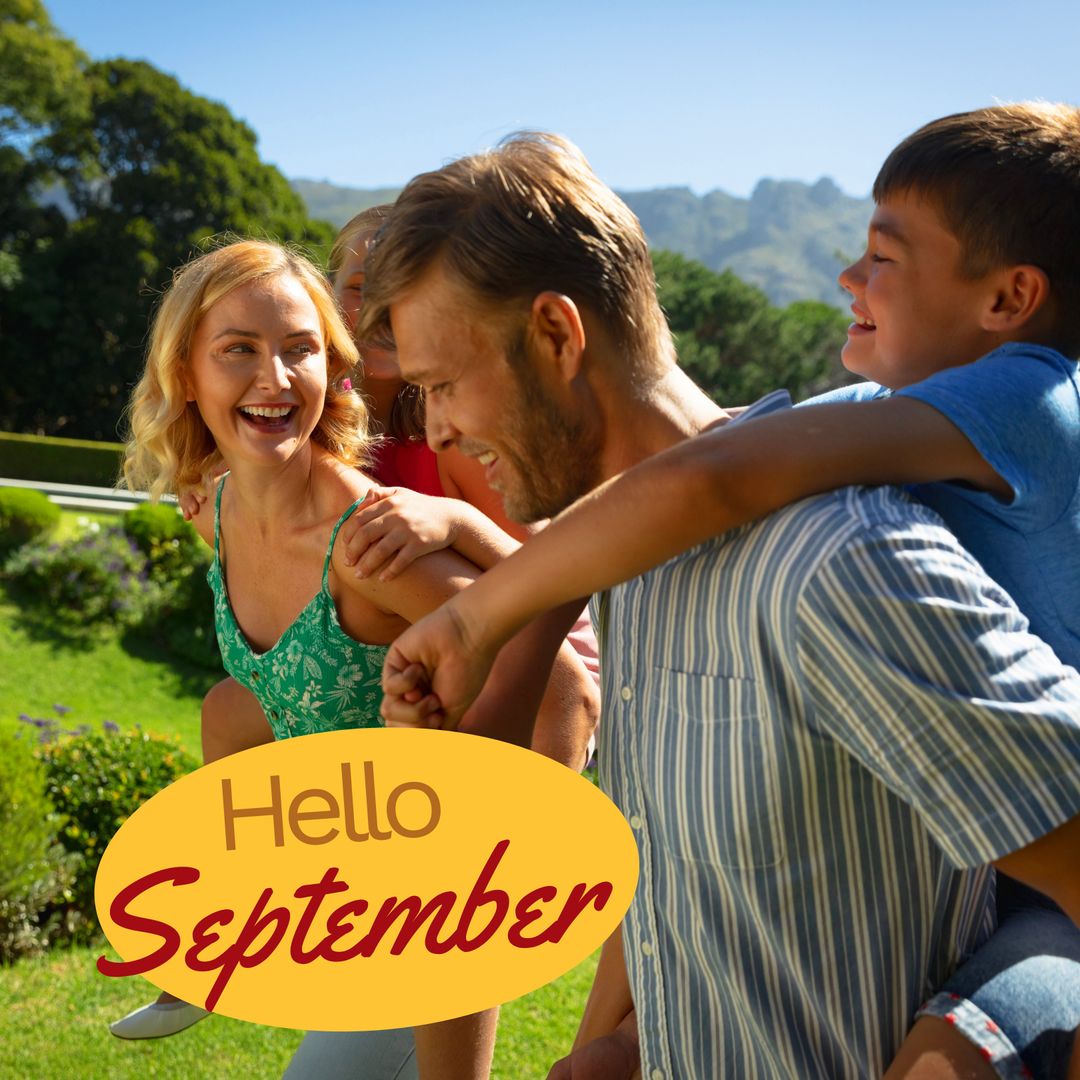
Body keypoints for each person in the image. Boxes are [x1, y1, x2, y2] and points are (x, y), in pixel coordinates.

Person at [369, 104, 1080, 1079]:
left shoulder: (834, 565)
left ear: (555, 334)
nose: (435, 428)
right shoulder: (624, 557)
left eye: (443, 384)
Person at [109, 208, 599, 1051]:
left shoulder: (371, 547)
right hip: (355, 798)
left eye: (299, 348)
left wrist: (512, 855)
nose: (275, 377)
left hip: (439, 853)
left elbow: (557, 674)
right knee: (228, 710)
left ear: (330, 367)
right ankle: (215, 942)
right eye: (239, 349)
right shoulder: (218, 506)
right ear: (184, 373)